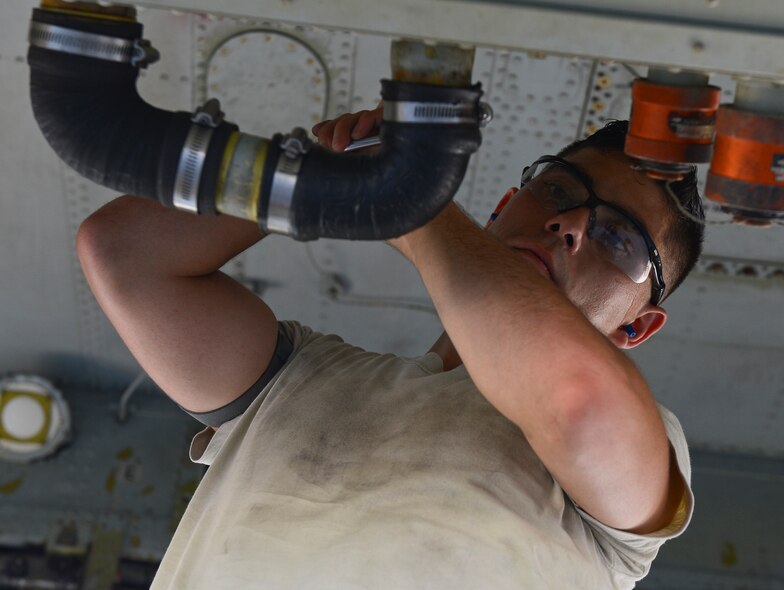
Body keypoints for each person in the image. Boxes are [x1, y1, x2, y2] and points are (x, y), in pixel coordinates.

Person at [76, 105, 704, 589]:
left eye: (619, 239)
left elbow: (577, 398)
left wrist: (410, 205)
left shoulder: (640, 450)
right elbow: (126, 254)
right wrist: (325, 169)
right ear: (501, 210)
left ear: (635, 329)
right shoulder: (299, 380)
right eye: (561, 192)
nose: (570, 225)